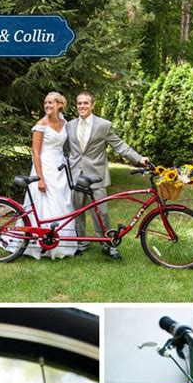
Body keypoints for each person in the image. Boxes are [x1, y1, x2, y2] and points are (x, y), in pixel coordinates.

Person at [65, 90, 150, 260]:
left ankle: (106, 243)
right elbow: (65, 148)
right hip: (75, 175)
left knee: (101, 212)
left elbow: (120, 146)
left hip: (96, 175)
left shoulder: (103, 125)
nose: (82, 106)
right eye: (79, 103)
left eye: (85, 103)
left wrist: (139, 159)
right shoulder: (69, 125)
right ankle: (81, 243)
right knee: (77, 211)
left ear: (93, 105)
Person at [22, 91, 77, 259]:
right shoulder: (41, 125)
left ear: (60, 105)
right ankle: (39, 245)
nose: (47, 106)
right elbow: (36, 153)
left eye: (51, 103)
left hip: (60, 168)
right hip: (44, 167)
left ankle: (63, 244)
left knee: (63, 202)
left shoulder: (64, 122)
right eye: (46, 103)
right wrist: (40, 178)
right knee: (44, 203)